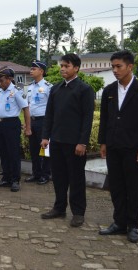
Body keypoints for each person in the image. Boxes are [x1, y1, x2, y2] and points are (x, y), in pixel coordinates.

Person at [97, 50, 138, 243]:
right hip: (113, 146)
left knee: (133, 187)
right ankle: (119, 222)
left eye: (118, 66)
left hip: (134, 148)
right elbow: (104, 118)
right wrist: (103, 142)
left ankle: (133, 225)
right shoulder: (109, 91)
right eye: (113, 66)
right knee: (117, 186)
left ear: (130, 66)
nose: (115, 70)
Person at [41, 53, 95, 228]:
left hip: (75, 143)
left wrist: (82, 142)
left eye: (67, 66)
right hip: (56, 140)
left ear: (76, 68)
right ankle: (59, 208)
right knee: (59, 177)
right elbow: (49, 115)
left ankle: (78, 213)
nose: (63, 68)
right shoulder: (56, 89)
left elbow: (87, 119)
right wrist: (45, 136)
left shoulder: (84, 90)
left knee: (76, 179)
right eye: (61, 66)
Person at [0, 68, 31, 192]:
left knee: (13, 153)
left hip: (12, 124)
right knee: (3, 152)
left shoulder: (16, 91)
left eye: (2, 80)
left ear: (10, 79)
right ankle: (6, 178)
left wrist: (28, 127)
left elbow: (26, 109)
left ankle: (15, 180)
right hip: (1, 125)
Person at [25, 60, 53, 184]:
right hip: (32, 121)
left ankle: (45, 174)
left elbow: (53, 107)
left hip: (43, 121)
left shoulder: (48, 87)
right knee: (33, 149)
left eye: (34, 69)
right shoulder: (30, 87)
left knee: (44, 149)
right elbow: (28, 106)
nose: (31, 71)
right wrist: (27, 124)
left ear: (41, 71)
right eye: (31, 68)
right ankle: (35, 173)